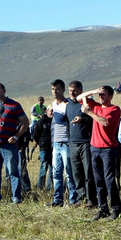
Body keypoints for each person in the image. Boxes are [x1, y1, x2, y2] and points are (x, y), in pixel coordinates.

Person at [79, 86, 121, 220]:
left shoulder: (114, 109)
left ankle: (116, 208)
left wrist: (89, 113)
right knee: (98, 180)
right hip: (95, 147)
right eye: (100, 95)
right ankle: (103, 208)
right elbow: (79, 98)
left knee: (109, 179)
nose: (101, 97)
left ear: (110, 96)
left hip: (108, 149)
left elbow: (105, 122)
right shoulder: (97, 106)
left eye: (104, 95)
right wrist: (93, 91)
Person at [0, 82, 29, 204]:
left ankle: (16, 197)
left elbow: (25, 122)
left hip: (8, 145)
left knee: (13, 172)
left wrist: (16, 136)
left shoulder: (14, 105)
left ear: (4, 90)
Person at [65, 81, 97, 208]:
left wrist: (82, 119)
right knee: (76, 172)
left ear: (81, 91)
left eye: (75, 90)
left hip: (86, 142)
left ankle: (91, 199)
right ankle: (80, 198)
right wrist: (69, 138)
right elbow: (67, 123)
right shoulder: (68, 106)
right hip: (73, 143)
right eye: (70, 90)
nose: (72, 93)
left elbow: (94, 120)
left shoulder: (86, 104)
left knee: (88, 171)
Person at [49, 79, 78, 207]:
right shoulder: (53, 104)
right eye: (53, 89)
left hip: (66, 143)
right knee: (56, 173)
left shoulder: (68, 104)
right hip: (56, 144)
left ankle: (73, 199)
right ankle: (58, 199)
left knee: (68, 173)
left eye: (57, 89)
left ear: (63, 90)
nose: (55, 92)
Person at [33, 108, 53, 191]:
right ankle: (40, 188)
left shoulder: (56, 122)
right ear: (47, 111)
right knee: (43, 168)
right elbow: (35, 135)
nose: (52, 112)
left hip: (54, 149)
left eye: (53, 111)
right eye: (50, 110)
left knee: (53, 169)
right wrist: (41, 144)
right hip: (44, 148)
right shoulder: (41, 122)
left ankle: (50, 188)